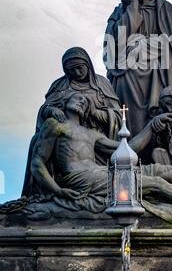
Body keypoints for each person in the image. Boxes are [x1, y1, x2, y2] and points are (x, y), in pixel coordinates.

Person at [18, 93, 172, 220]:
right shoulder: (55, 126)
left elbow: (128, 147)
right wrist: (58, 191)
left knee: (165, 170)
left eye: (85, 101)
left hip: (100, 173)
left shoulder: (90, 134)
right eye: (76, 98)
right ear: (65, 102)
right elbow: (38, 163)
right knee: (155, 184)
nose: (82, 101)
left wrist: (152, 125)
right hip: (79, 179)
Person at [104, 0, 172, 160]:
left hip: (157, 71)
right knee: (124, 82)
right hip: (127, 70)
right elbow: (112, 45)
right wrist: (132, 10)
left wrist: (143, 45)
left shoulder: (163, 8)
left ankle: (156, 151)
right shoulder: (120, 12)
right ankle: (132, 152)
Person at [22, 47, 122, 197]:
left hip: (96, 138)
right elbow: (45, 108)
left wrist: (95, 113)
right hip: (65, 142)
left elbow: (117, 115)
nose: (76, 73)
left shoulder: (101, 84)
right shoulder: (59, 86)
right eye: (71, 70)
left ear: (88, 64)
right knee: (39, 141)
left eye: (79, 68)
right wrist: (50, 110)